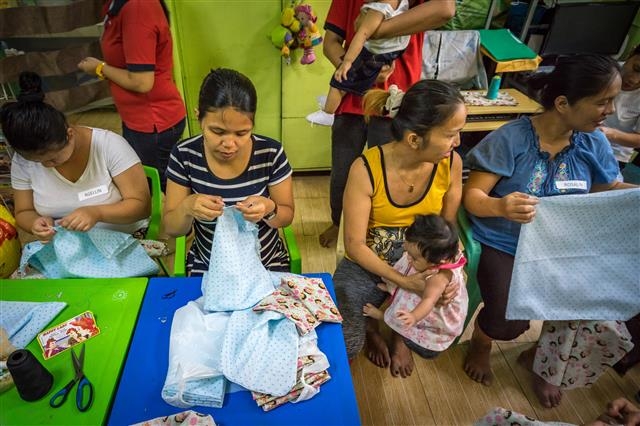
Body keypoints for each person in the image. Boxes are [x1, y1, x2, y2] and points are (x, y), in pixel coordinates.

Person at [462, 54, 638, 408]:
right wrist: (500, 206)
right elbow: (473, 197)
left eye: (613, 100)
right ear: (562, 103)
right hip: (507, 244)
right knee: (509, 321)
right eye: (602, 101)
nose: (610, 110)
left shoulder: (594, 143)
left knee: (587, 305)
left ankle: (544, 362)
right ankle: (483, 339)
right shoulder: (511, 139)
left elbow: (603, 193)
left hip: (564, 245)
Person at [334, 79, 466, 378]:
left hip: (425, 260)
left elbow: (447, 228)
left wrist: (448, 274)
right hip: (372, 262)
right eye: (450, 135)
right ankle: (371, 326)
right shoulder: (366, 168)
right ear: (414, 139)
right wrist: (405, 283)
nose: (457, 143)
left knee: (434, 336)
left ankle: (398, 336)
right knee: (346, 342)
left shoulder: (451, 163)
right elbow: (356, 245)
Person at [317, 0, 456, 247]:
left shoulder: (413, 4)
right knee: (342, 170)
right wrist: (360, 72)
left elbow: (446, 9)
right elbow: (330, 43)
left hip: (397, 103)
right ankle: (339, 223)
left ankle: (377, 229)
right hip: (351, 101)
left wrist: (373, 29)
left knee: (389, 174)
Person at [162, 68, 294, 276]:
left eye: (242, 133)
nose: (229, 144)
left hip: (265, 264)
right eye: (218, 131)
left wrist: (269, 208)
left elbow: (286, 216)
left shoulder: (270, 153)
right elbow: (172, 227)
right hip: (210, 266)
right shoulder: (185, 154)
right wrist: (188, 207)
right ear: (199, 117)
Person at [1, 72, 150, 243]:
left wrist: (97, 213)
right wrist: (35, 223)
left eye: (53, 158)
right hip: (67, 246)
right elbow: (23, 212)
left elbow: (141, 207)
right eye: (37, 162)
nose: (47, 165)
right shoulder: (22, 161)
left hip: (122, 239)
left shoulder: (108, 145)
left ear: (69, 134)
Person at [77, 0, 186, 191]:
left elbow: (142, 82)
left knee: (159, 186)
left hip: (153, 122)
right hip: (139, 119)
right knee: (148, 180)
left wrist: (99, 68)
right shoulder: (116, 6)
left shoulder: (137, 8)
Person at [363, 214, 468, 359]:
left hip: (428, 311)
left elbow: (428, 301)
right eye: (408, 249)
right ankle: (393, 289)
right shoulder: (441, 252)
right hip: (421, 285)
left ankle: (383, 317)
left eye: (414, 257)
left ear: (438, 261)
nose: (408, 257)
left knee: (403, 318)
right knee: (406, 277)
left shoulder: (438, 277)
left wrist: (414, 316)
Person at [306, 0, 410, 126]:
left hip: (383, 58)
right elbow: (330, 43)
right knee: (349, 76)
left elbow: (362, 34)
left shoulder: (379, 9)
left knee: (341, 79)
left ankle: (328, 113)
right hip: (388, 50)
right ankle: (332, 101)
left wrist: (347, 62)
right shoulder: (396, 4)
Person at [599, 44, 640, 184]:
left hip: (614, 152)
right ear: (631, 53)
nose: (634, 80)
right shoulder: (603, 72)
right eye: (637, 69)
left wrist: (610, 134)